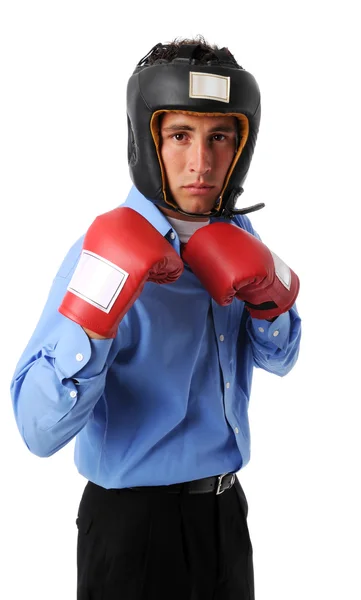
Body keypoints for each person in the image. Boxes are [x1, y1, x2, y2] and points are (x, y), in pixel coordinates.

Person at [10, 36, 302, 600]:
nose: (202, 162)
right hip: (133, 534)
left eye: (220, 137)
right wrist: (95, 317)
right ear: (147, 139)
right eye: (180, 136)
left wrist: (270, 293)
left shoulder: (241, 235)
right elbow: (35, 431)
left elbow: (283, 359)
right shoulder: (101, 254)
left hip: (224, 518)